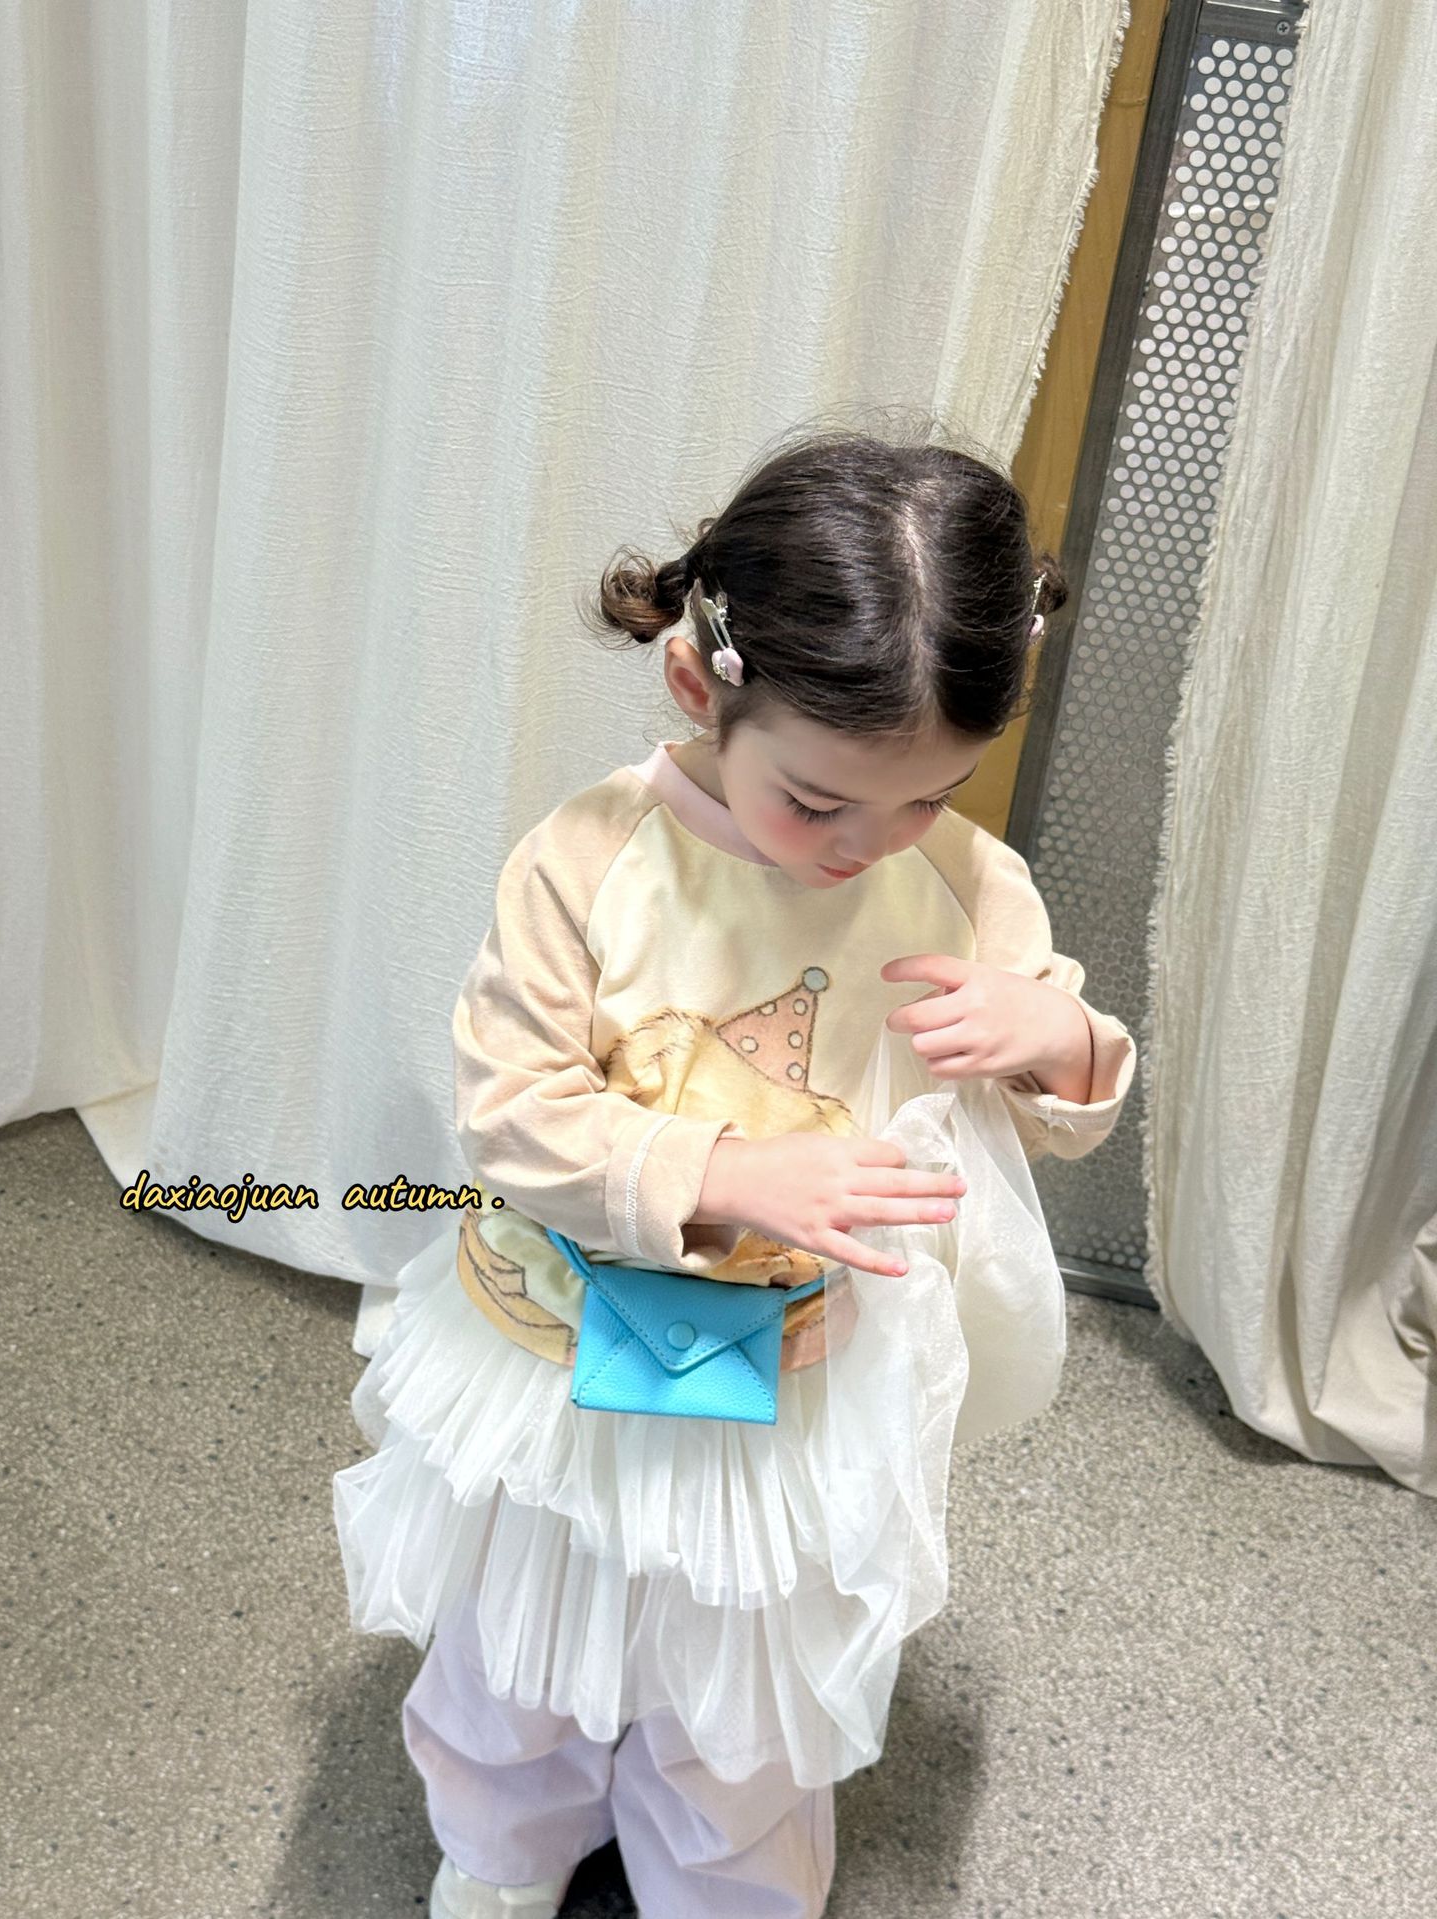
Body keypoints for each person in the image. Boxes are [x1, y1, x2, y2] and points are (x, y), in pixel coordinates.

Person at [332, 427, 1136, 1919]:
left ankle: (724, 1886)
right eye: (818, 803)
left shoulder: (966, 886)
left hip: (803, 1375)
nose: (868, 845)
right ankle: (503, 1847)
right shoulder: (592, 859)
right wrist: (728, 1172)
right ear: (701, 690)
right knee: (527, 1640)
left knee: (746, 1689)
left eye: (928, 796)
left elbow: (1045, 1120)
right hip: (567, 1343)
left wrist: (1066, 1040)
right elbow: (510, 1113)